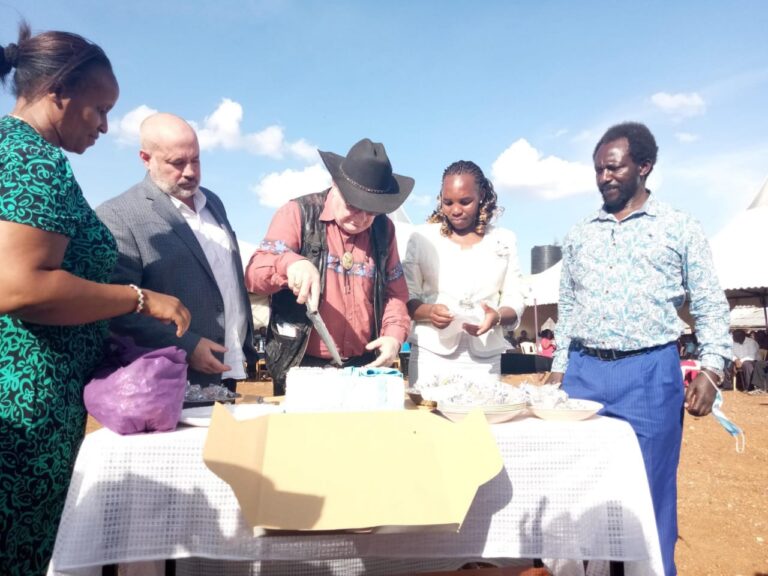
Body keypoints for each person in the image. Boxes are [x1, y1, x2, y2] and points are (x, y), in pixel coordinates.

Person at [0, 25, 190, 575]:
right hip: (26, 400)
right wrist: (138, 297)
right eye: (98, 109)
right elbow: (21, 286)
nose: (105, 126)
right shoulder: (35, 160)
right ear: (59, 92)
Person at [547, 122, 731, 575]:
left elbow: (709, 301)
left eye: (613, 167)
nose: (604, 177)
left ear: (645, 167)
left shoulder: (680, 227)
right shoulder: (579, 234)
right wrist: (558, 369)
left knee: (648, 494)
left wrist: (711, 368)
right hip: (585, 376)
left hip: (650, 376)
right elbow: (568, 306)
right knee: (582, 491)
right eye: (597, 170)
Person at [97, 113, 256, 392]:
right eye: (177, 163)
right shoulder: (118, 215)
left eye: (195, 160)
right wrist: (187, 345)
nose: (191, 171)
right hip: (168, 381)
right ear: (146, 159)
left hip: (227, 369)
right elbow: (114, 308)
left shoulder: (213, 203)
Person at [246, 138, 413, 394]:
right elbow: (254, 273)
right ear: (336, 184)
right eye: (353, 206)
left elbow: (395, 293)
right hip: (301, 367)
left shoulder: (384, 229)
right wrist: (290, 263)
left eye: (372, 212)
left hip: (363, 367)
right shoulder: (297, 214)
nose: (361, 219)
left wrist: (393, 335)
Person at [403, 160, 526, 385]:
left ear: (481, 196)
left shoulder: (504, 239)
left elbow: (515, 297)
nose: (456, 210)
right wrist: (429, 312)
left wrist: (496, 316)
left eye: (465, 201)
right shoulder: (421, 238)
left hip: (485, 359)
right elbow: (405, 297)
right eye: (448, 202)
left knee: (482, 419)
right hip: (431, 356)